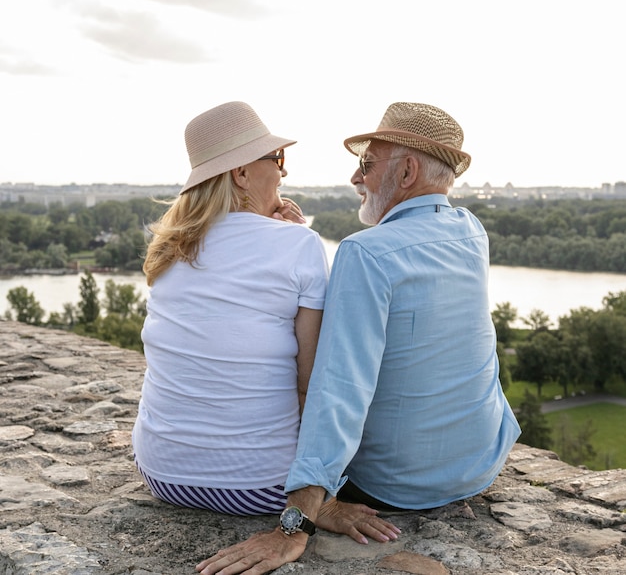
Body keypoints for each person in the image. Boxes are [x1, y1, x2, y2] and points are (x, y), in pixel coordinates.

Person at [197, 102, 521, 574]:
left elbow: (338, 391)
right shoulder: (471, 231)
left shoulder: (365, 253)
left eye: (367, 164)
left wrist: (293, 526)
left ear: (407, 171)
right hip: (480, 464)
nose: (356, 177)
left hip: (397, 487)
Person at [132, 101, 329, 516]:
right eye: (277, 159)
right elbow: (310, 383)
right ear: (241, 173)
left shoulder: (170, 246)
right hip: (260, 488)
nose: (284, 171)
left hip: (162, 475)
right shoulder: (299, 244)